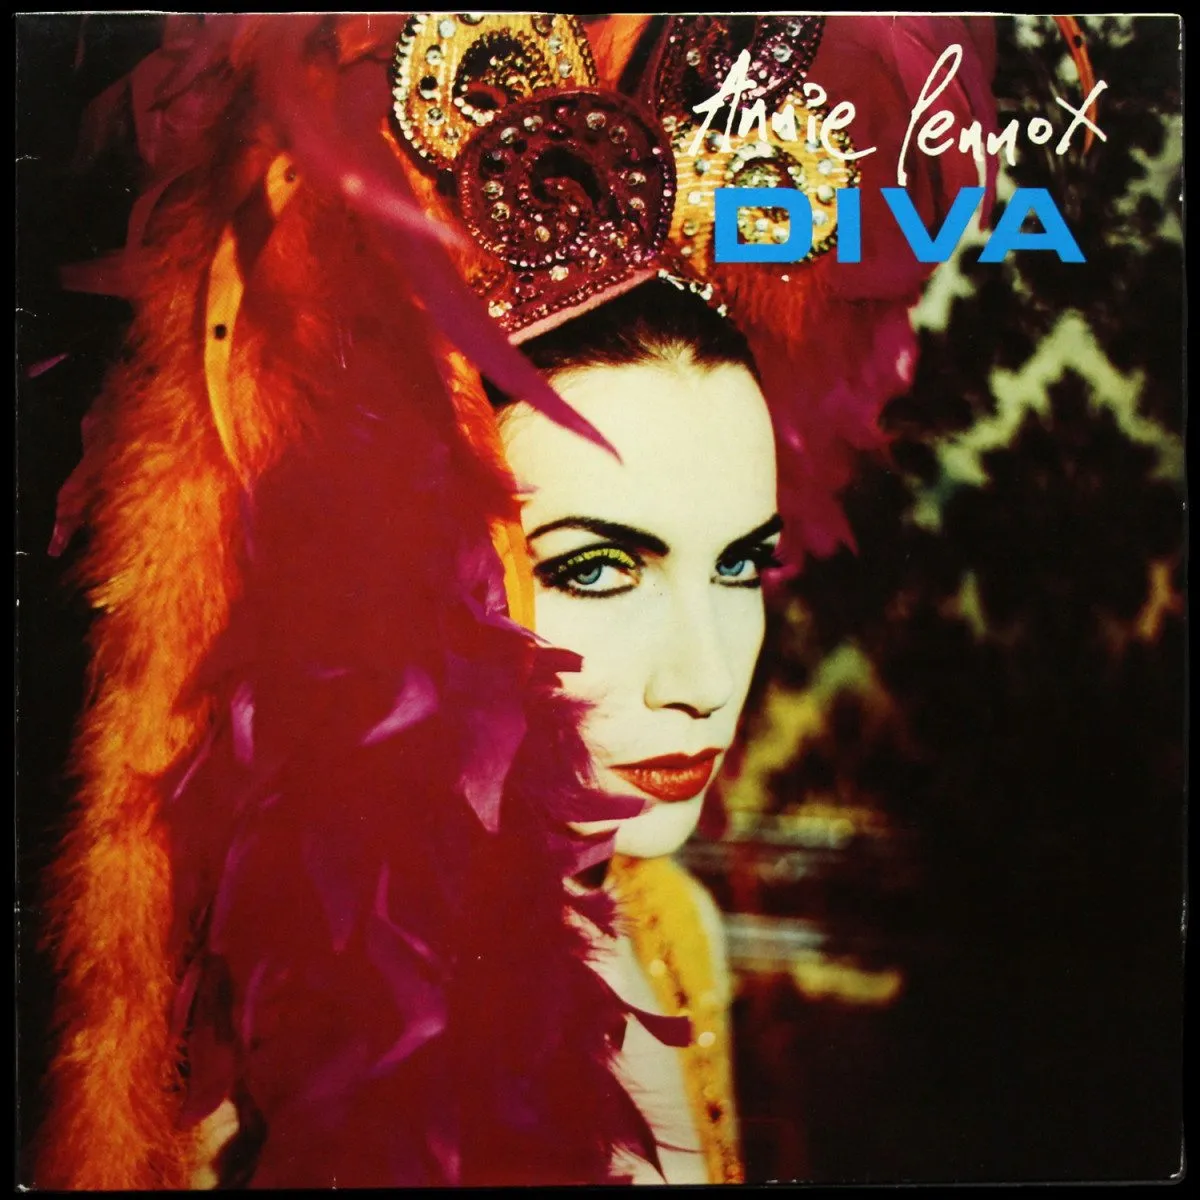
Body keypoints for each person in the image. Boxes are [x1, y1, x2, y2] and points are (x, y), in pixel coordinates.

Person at [32, 13, 996, 1188]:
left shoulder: (666, 931)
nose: (702, 680)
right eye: (597, 568)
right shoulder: (243, 1102)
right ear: (410, 579)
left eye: (740, 565)